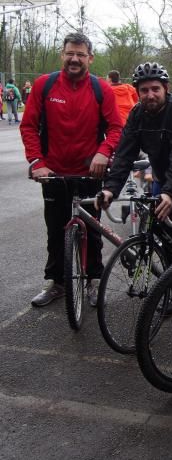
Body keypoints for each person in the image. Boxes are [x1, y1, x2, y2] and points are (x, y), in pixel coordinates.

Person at [20, 32, 122, 308]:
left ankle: (92, 281)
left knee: (92, 231)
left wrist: (103, 152)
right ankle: (58, 283)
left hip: (91, 174)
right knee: (55, 230)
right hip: (53, 174)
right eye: (70, 53)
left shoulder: (101, 89)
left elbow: (115, 128)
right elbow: (29, 126)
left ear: (90, 58)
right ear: (62, 55)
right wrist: (37, 162)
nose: (74, 59)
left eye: (80, 54)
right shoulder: (45, 85)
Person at [98, 62, 172, 308]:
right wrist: (110, 189)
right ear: (137, 91)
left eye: (155, 89)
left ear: (166, 88)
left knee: (170, 211)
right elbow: (125, 154)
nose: (150, 95)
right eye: (144, 90)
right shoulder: (137, 114)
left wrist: (170, 193)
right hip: (161, 178)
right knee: (163, 229)